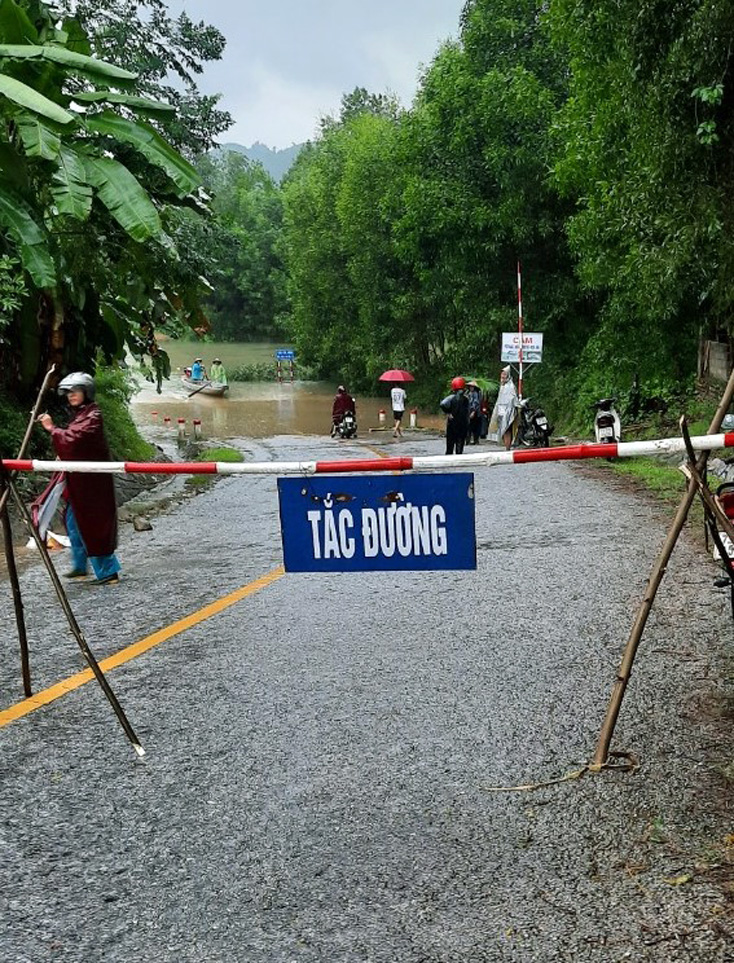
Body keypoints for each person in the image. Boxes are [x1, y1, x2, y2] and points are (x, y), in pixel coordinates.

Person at [37, 371, 121, 585]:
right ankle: (80, 566)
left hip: (92, 486)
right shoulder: (81, 414)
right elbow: (74, 445)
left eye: (76, 391)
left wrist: (51, 428)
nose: (71, 395)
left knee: (95, 526)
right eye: (69, 392)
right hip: (80, 484)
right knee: (73, 522)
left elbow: (74, 440)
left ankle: (108, 572)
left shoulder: (93, 415)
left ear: (86, 391)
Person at [489, 365, 518, 450]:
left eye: (504, 375)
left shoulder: (511, 386)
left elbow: (513, 399)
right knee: (503, 430)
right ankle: (506, 446)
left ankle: (508, 447)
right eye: (502, 375)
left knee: (507, 430)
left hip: (508, 411)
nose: (502, 376)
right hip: (501, 411)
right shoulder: (503, 386)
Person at [442, 376, 470, 455]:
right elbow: (467, 412)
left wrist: (448, 412)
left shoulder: (451, 398)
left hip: (452, 422)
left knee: (450, 443)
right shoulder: (466, 399)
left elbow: (443, 404)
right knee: (460, 442)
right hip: (462, 423)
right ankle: (458, 456)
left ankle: (449, 456)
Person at [466, 381, 482, 445]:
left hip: (475, 412)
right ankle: (468, 440)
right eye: (470, 386)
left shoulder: (476, 394)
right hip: (469, 411)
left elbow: (476, 403)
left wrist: (473, 411)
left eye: (472, 387)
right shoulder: (468, 393)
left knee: (475, 426)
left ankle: (475, 440)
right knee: (469, 426)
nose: (471, 388)